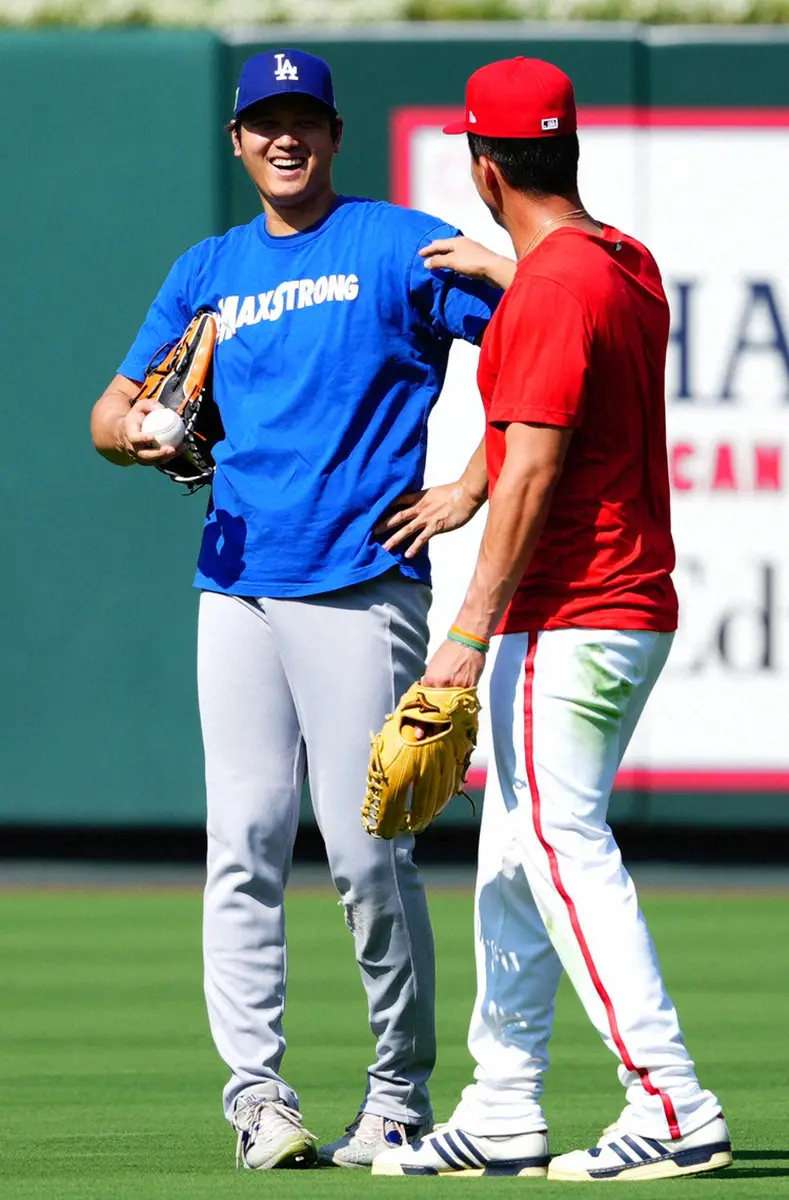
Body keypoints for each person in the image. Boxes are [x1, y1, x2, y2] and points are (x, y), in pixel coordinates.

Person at [90, 48, 515, 1171]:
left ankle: (398, 1093)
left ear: (333, 136)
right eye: (264, 122)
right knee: (243, 846)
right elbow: (110, 409)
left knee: (372, 853)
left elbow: (540, 350)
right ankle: (259, 1099)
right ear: (238, 143)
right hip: (235, 586)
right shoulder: (209, 268)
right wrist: (140, 433)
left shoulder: (394, 244)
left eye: (304, 121)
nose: (285, 139)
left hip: (361, 582)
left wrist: (470, 482)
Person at [372, 57, 732, 1182]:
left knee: (564, 849)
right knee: (514, 858)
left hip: (567, 611)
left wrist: (464, 640)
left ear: (485, 166)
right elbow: (552, 373)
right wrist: (511, 269)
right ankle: (504, 1103)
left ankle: (670, 1100)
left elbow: (531, 466)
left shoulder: (550, 291)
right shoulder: (622, 265)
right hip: (626, 608)